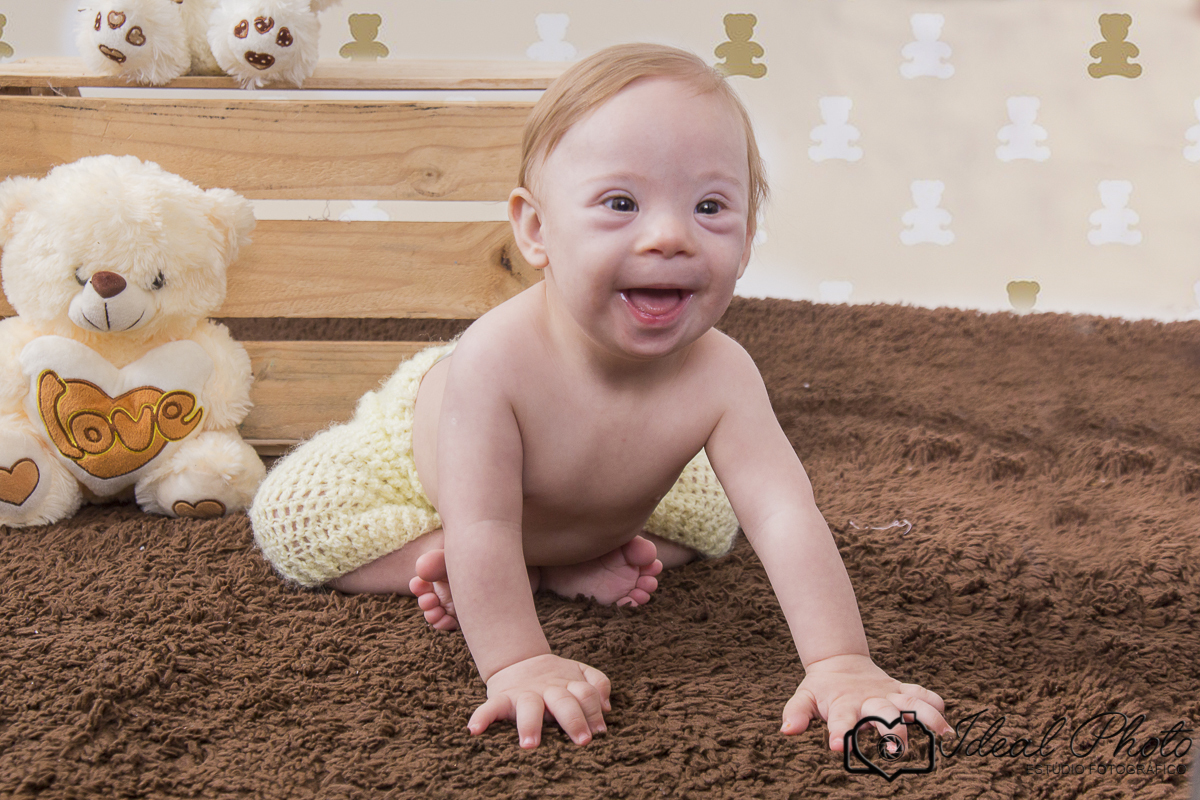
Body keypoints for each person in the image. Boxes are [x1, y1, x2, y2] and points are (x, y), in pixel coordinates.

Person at [250, 42, 950, 752]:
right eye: (621, 203)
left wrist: (842, 665)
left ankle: (557, 562)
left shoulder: (722, 374)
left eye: (710, 207)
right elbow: (486, 522)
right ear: (536, 229)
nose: (670, 236)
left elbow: (784, 514)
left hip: (605, 498)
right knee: (297, 519)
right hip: (431, 469)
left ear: (745, 244)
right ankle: (467, 559)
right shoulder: (496, 361)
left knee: (713, 520)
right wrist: (521, 662)